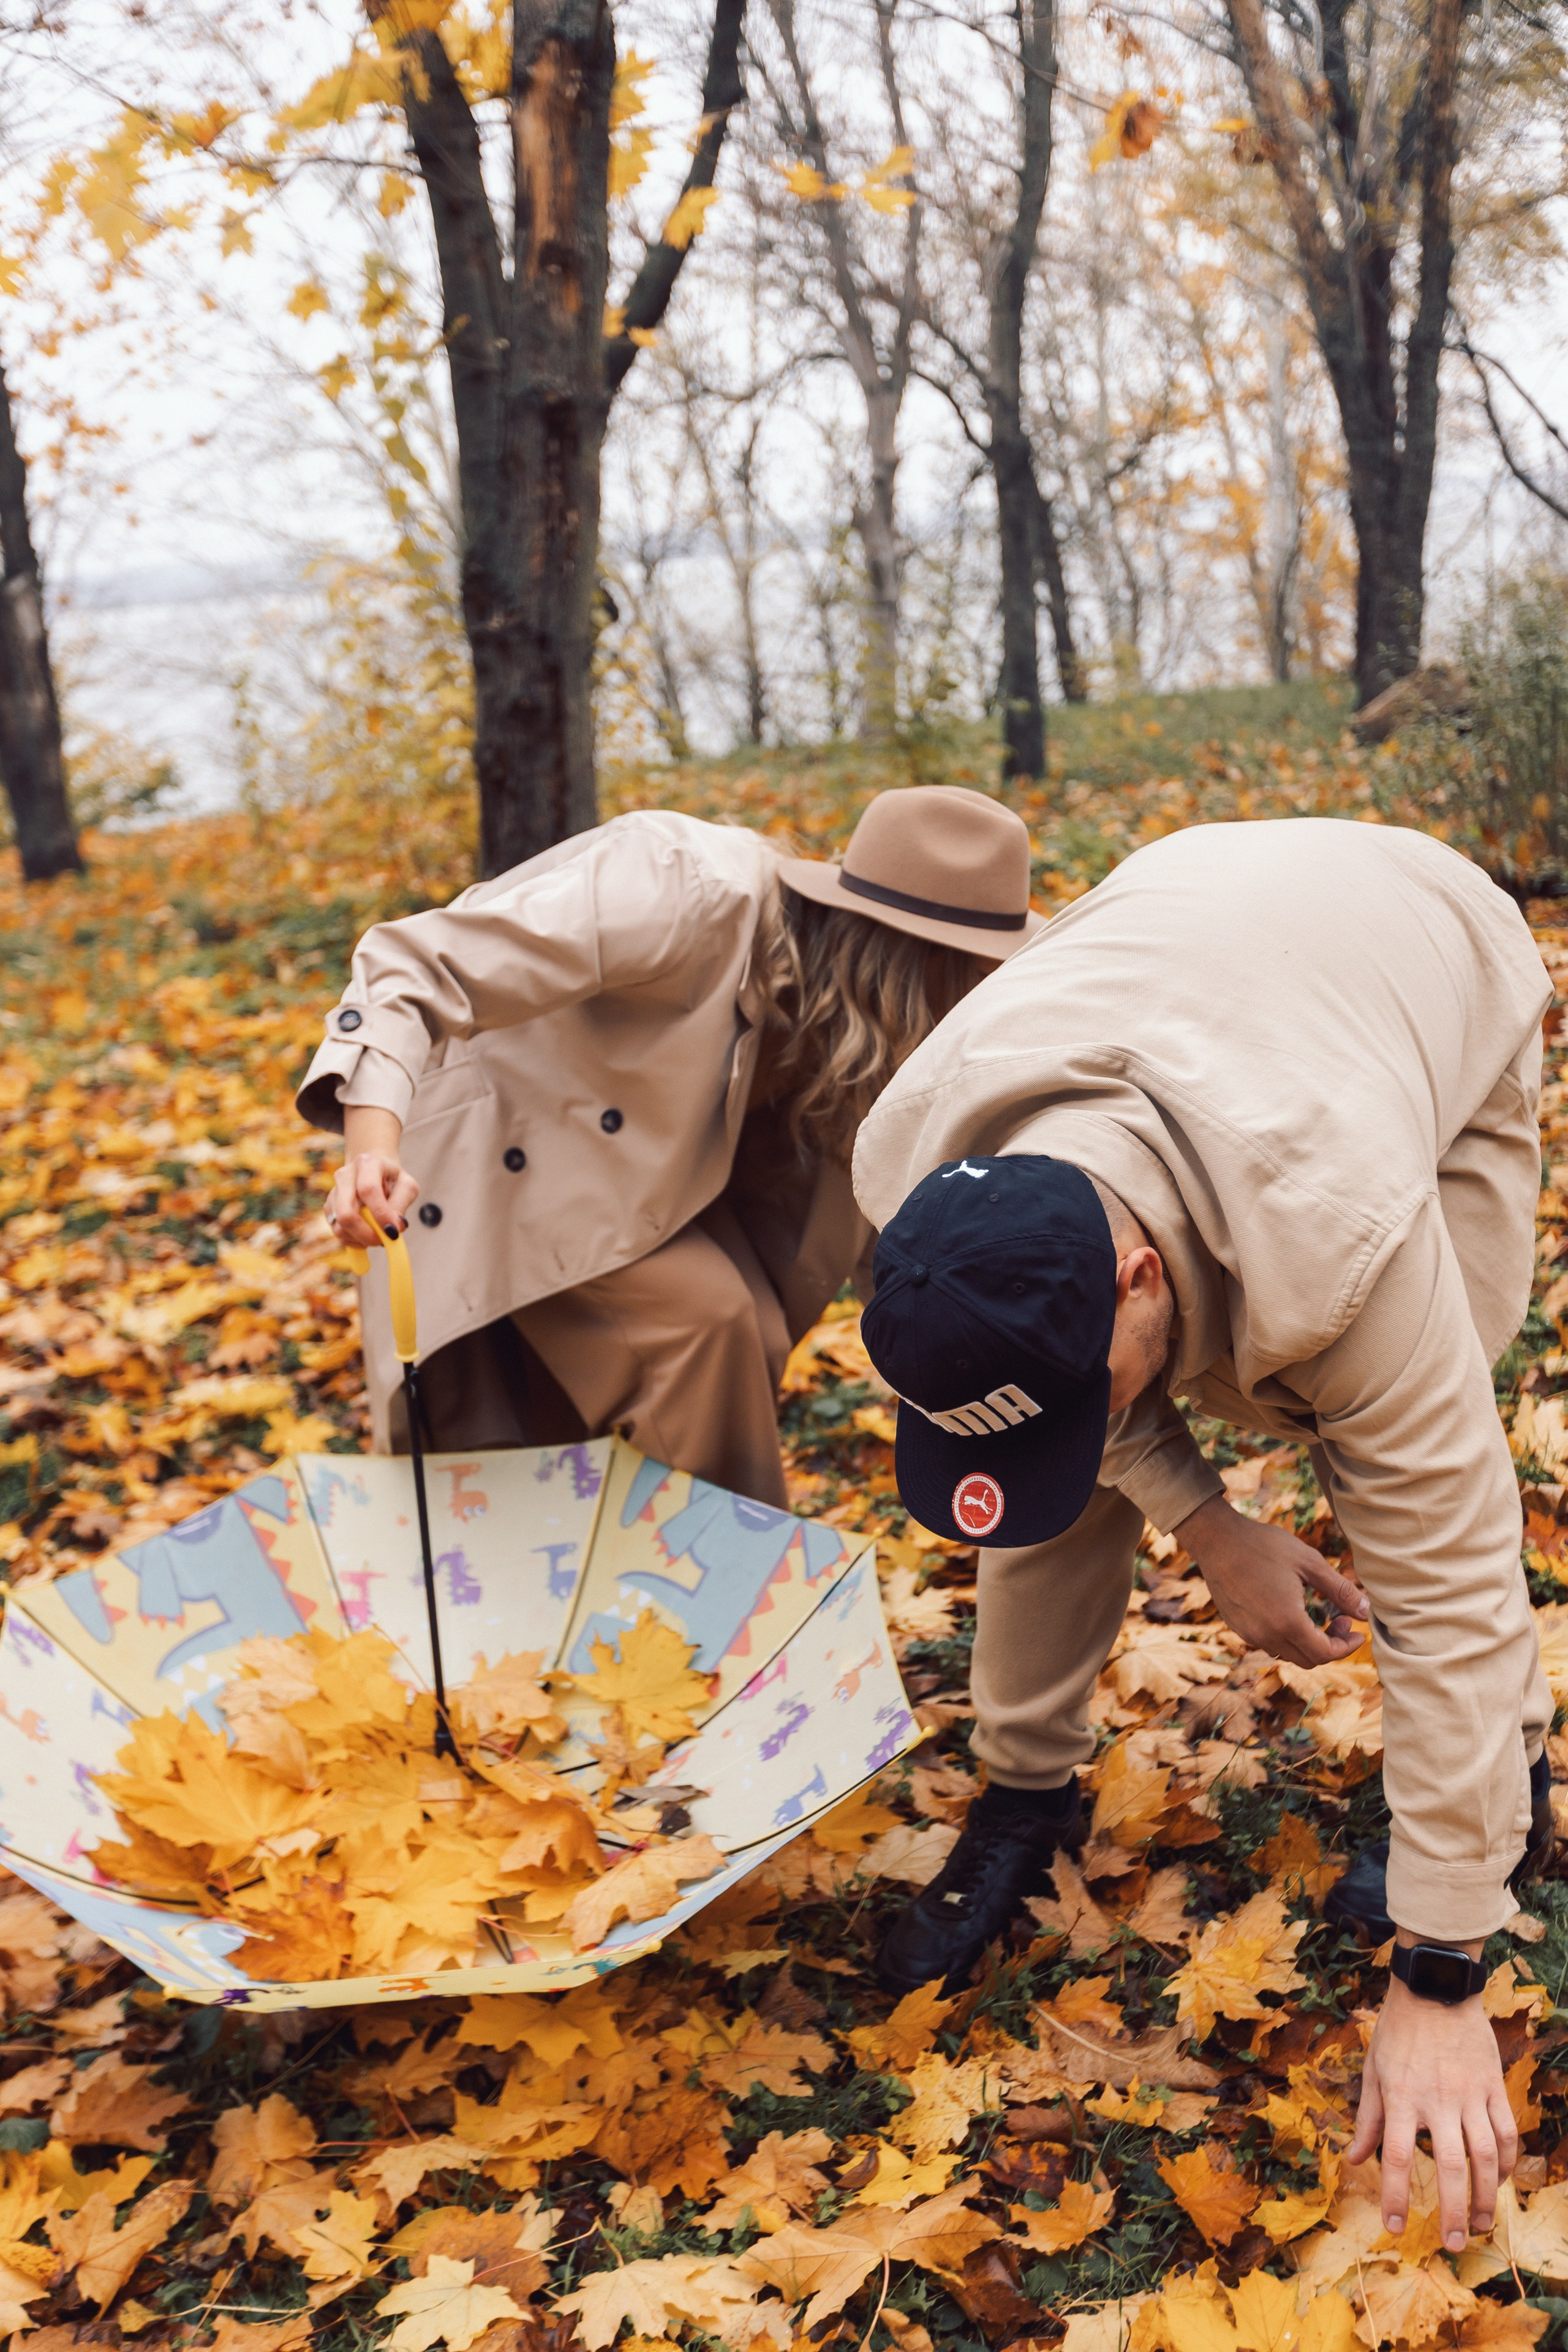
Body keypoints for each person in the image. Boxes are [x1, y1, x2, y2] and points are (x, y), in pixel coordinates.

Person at [850, 816, 1554, 2260]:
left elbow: (1455, 1583)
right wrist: (1199, 1515)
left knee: (1422, 1446)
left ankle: (1509, 1785)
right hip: (1188, 943)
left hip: (1427, 958)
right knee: (1054, 1466)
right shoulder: (916, 1177)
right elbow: (1053, 1407)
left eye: (1100, 1361)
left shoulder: (1343, 1227)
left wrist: (1437, 1965)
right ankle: (1017, 1796)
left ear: (1139, 1274)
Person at [295, 786, 1041, 1505]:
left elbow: (893, 1225)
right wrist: (370, 1150)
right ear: (909, 961)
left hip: (659, 1179)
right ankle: (728, 1602)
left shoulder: (861, 1027)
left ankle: (671, 1588)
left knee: (743, 1332)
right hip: (504, 1147)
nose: (980, 995)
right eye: (974, 969)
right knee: (702, 1327)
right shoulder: (680, 885)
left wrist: (1007, 1366)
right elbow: (412, 964)